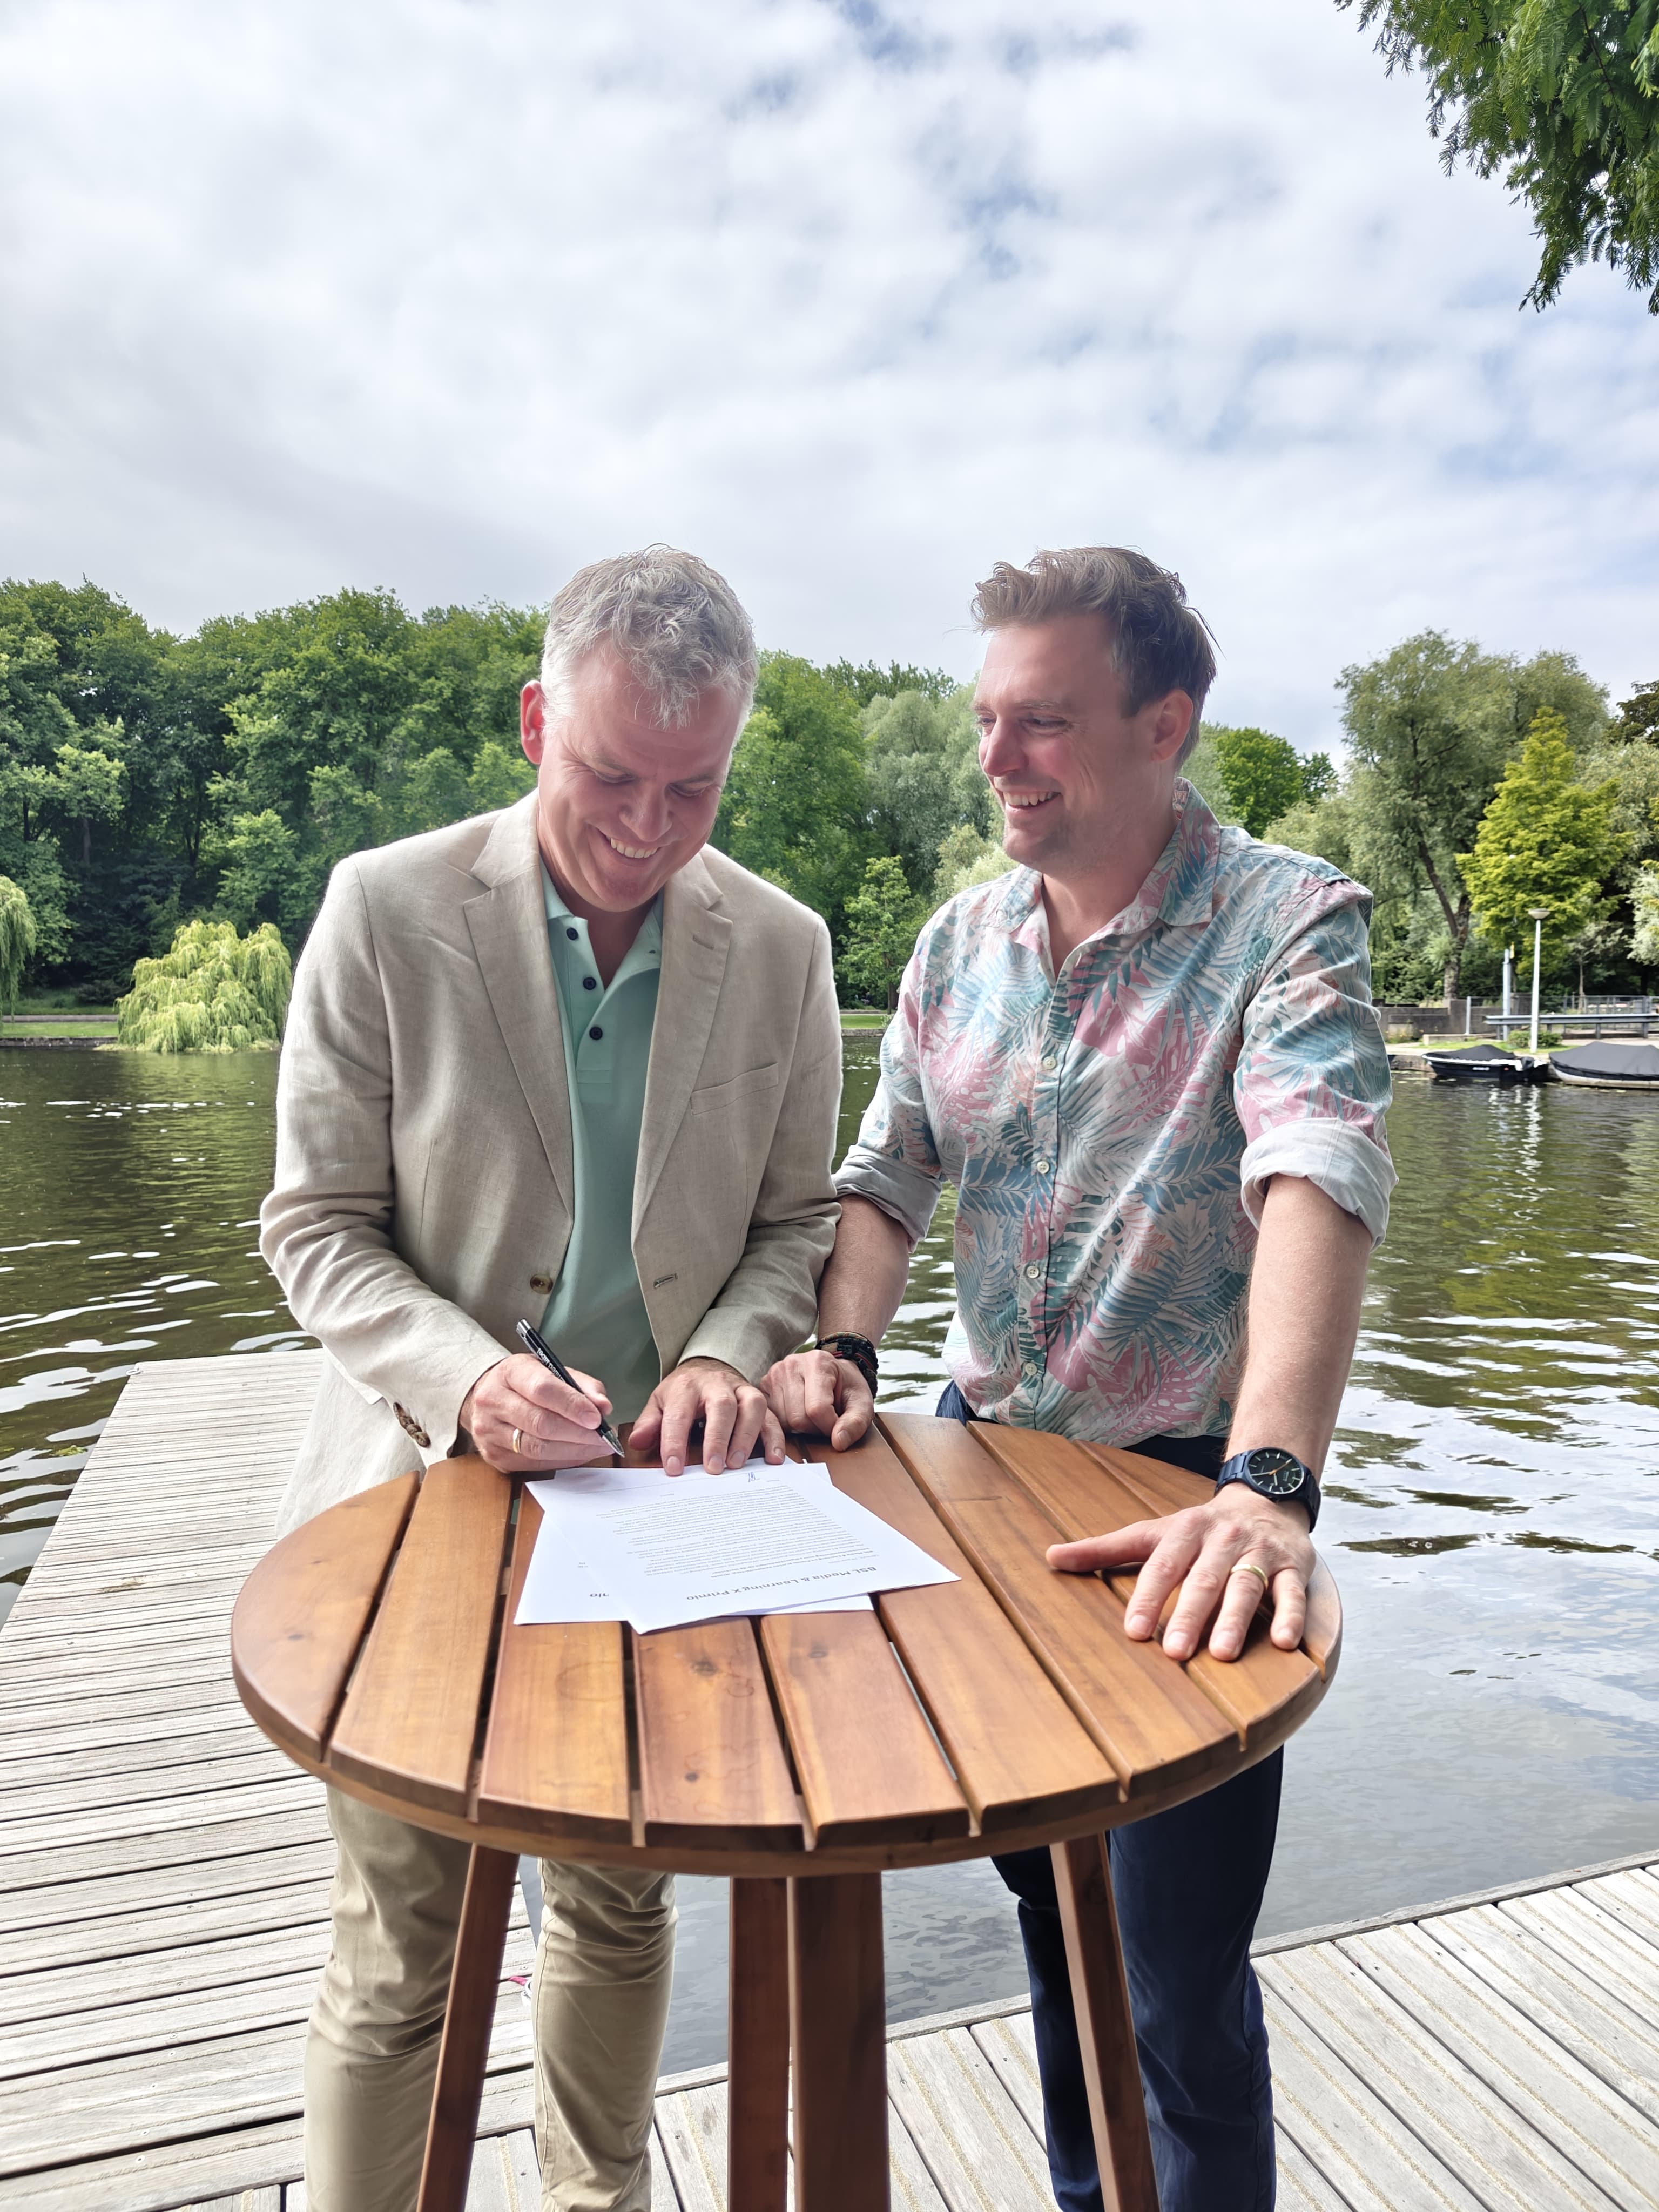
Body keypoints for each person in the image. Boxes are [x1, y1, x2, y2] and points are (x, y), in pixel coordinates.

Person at [763, 546, 1393, 2212]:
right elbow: (886, 1174)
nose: (996, 758)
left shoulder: (1288, 919)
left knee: (1176, 1980)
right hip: (983, 1492)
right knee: (1054, 1924)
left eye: (1039, 721)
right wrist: (841, 1349)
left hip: (1189, 1503)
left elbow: (1318, 1166)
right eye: (988, 718)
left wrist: (1270, 1485)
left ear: (1163, 725)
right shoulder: (955, 942)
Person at [260, 546, 843, 2212]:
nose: (650, 830)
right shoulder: (383, 908)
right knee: (403, 1951)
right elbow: (314, 1225)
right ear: (536, 722)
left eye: (694, 788)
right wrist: (465, 1380)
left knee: (619, 1900)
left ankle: (600, 2202)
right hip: (416, 1499)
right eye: (611, 776)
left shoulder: (787, 947)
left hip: (653, 1510)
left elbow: (797, 1226)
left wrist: (727, 1358)